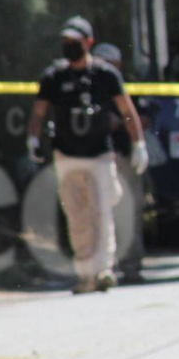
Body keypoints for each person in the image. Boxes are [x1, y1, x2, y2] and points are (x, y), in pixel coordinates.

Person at [28, 16, 149, 294]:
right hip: (67, 156)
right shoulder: (54, 77)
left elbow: (127, 112)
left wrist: (138, 144)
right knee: (77, 216)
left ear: (89, 42)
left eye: (75, 41)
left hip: (99, 155)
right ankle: (86, 275)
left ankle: (104, 270)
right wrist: (32, 139)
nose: (70, 46)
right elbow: (39, 112)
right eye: (66, 42)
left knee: (101, 211)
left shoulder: (105, 75)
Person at [92, 42, 149, 284]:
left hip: (124, 156)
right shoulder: (91, 86)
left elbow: (143, 116)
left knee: (130, 210)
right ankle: (103, 268)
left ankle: (131, 266)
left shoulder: (126, 86)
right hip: (97, 158)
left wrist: (136, 142)